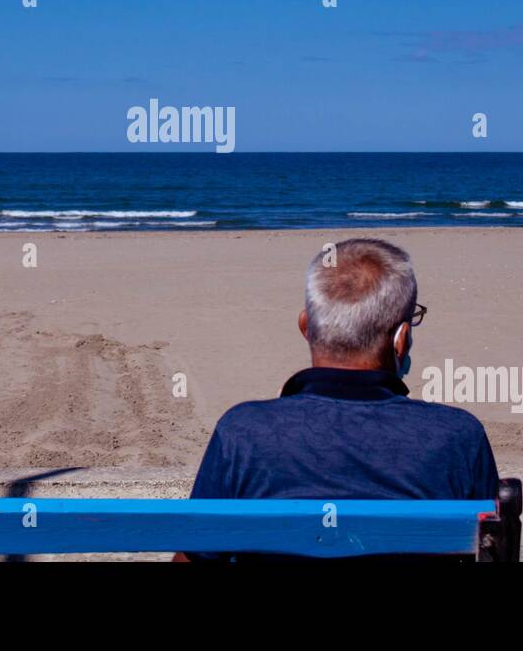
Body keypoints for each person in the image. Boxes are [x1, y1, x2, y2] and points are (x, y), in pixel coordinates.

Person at [181, 238, 498, 559]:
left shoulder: (244, 432)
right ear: (401, 340)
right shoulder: (458, 437)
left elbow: (195, 554)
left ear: (306, 326)